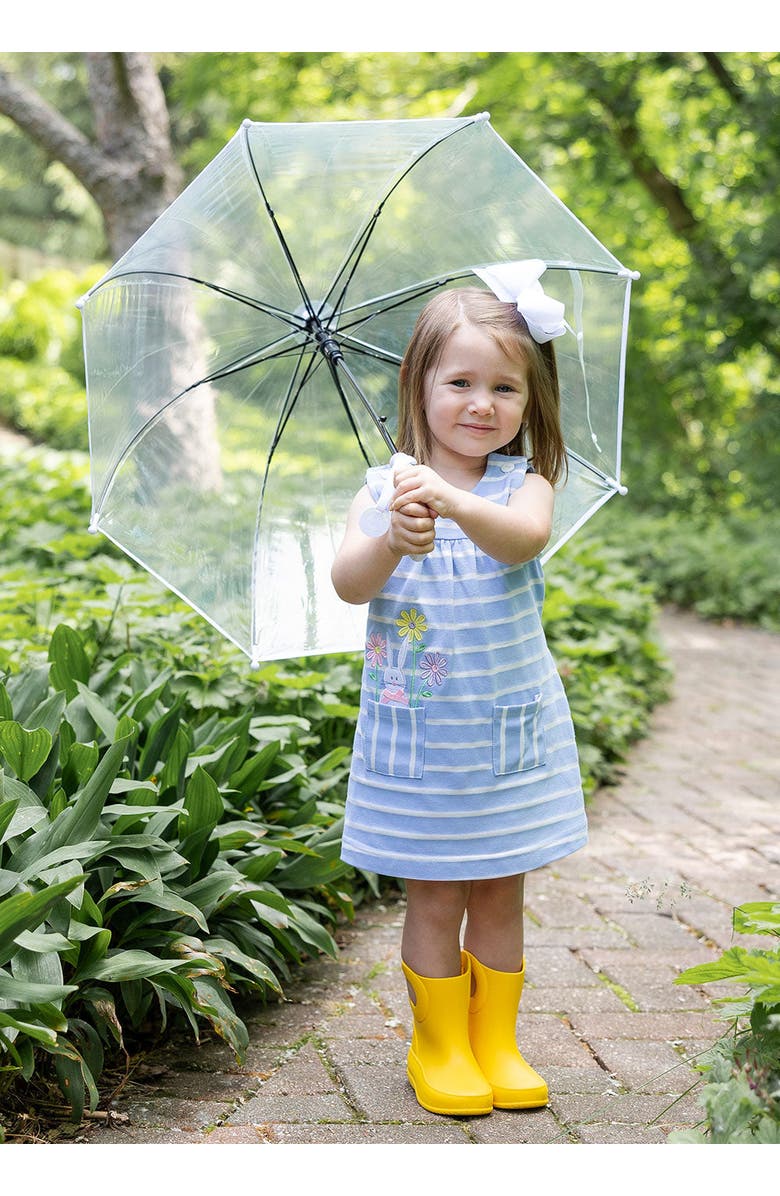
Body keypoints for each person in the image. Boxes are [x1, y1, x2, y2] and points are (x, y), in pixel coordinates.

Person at [331, 266, 587, 1118]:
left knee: (502, 890)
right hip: (423, 744)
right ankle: (438, 1043)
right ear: (421, 387)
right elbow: (347, 583)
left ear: (529, 399)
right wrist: (393, 538)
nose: (483, 404)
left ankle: (496, 1039)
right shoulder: (384, 492)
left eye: (505, 387)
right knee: (436, 894)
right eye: (462, 383)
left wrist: (452, 501)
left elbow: (521, 543)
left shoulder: (525, 488)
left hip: (504, 735)